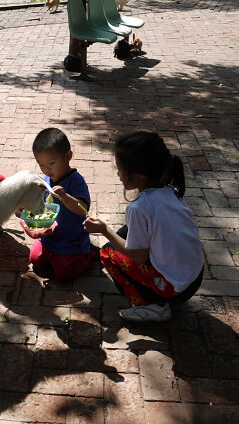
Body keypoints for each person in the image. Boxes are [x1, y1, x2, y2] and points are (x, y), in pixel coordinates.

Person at [83, 131, 204, 322]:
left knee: (107, 253)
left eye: (121, 169)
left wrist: (105, 230)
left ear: (139, 174)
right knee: (127, 231)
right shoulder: (171, 191)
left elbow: (139, 256)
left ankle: (150, 305)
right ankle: (158, 290)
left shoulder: (138, 207)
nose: (118, 173)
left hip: (174, 289)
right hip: (195, 277)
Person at [24, 127, 95, 281]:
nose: (46, 169)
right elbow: (39, 205)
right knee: (35, 260)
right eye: (41, 165)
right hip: (50, 236)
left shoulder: (76, 181)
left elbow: (82, 209)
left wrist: (64, 196)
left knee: (63, 275)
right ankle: (53, 254)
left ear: (68, 156)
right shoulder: (47, 179)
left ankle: (88, 255)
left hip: (71, 239)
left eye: (51, 163)